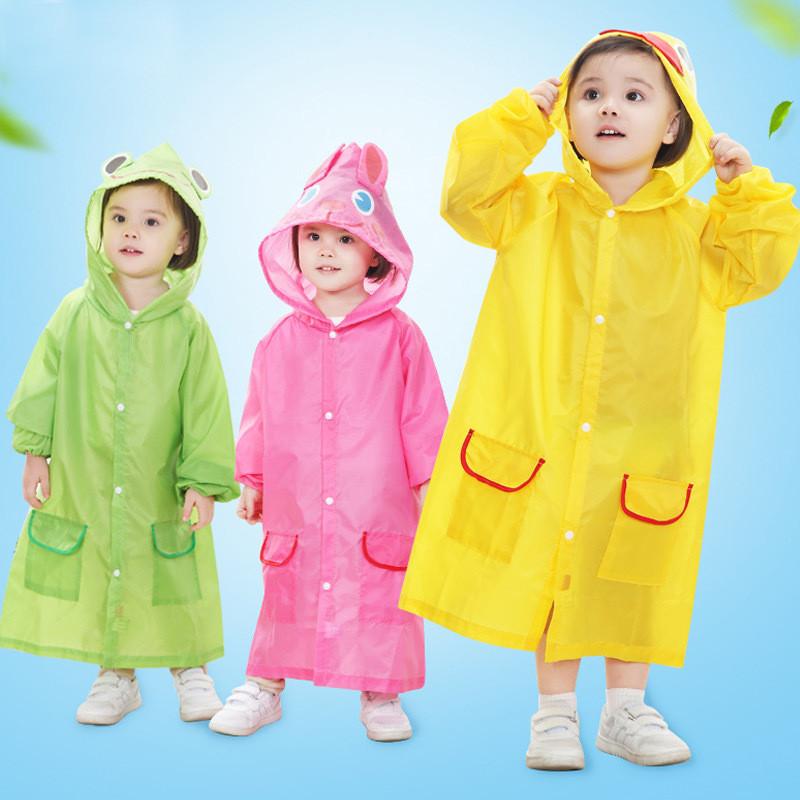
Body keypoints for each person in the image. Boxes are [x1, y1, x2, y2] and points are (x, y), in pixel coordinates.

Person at [400, 30, 800, 769]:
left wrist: (745, 191)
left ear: (675, 123)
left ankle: (626, 710)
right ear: (567, 114)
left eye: (633, 94)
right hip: (540, 431)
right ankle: (554, 713)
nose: (609, 107)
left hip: (644, 447)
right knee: (552, 565)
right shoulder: (532, 207)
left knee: (629, 568)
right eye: (590, 93)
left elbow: (762, 264)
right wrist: (519, 118)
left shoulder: (701, 231)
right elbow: (463, 196)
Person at [210, 142, 447, 742]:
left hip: (378, 505)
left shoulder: (400, 337)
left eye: (345, 238)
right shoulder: (279, 340)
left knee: (380, 588)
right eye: (313, 236)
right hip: (298, 505)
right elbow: (259, 414)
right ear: (293, 246)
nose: (326, 250)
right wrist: (253, 479)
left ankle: (381, 692)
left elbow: (424, 416)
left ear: (376, 253)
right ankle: (264, 685)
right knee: (286, 587)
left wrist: (431, 485)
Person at [0, 144, 239, 726]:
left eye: (152, 222)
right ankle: (116, 675)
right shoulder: (74, 311)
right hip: (87, 477)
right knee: (102, 566)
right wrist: (35, 453)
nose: (131, 231)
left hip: (162, 484)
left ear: (182, 241)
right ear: (99, 225)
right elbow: (42, 383)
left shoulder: (188, 327)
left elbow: (206, 407)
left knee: (172, 574)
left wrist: (202, 481)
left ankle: (190, 667)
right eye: (119, 217)